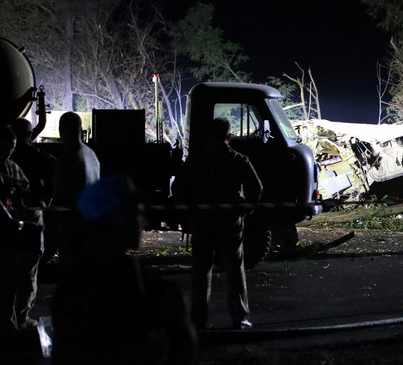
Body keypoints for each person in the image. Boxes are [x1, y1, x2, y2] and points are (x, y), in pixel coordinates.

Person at [51, 176, 197, 364]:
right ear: (115, 219)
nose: (142, 222)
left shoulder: (74, 283)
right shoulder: (141, 285)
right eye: (135, 212)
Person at [173, 117, 262, 330]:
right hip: (230, 220)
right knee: (234, 269)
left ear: (209, 136)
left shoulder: (196, 160)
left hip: (203, 220)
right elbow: (256, 187)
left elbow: (178, 187)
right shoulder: (238, 159)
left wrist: (188, 212)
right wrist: (246, 209)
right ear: (229, 137)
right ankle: (239, 318)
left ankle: (198, 318)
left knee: (201, 269)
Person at [0, 125, 44, 335]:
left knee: (15, 278)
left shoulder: (11, 167)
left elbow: (26, 191)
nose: (9, 151)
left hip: (13, 230)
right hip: (5, 229)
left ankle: (16, 319)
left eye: (12, 147)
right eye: (6, 146)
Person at [51, 112, 100, 269]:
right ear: (80, 129)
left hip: (73, 226)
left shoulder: (68, 158)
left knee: (73, 273)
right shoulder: (91, 155)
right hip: (91, 223)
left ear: (61, 130)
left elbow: (60, 195)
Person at [10, 118, 55, 206]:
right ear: (30, 134)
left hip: (12, 204)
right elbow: (55, 169)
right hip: (35, 202)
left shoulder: (7, 154)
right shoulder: (38, 154)